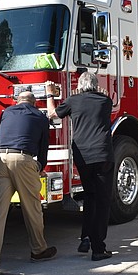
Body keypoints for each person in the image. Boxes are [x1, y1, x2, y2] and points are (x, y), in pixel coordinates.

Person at [0, 90, 56, 275]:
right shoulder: (40, 116)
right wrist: (39, 166)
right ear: (34, 102)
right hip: (22, 159)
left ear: (16, 101)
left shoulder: (6, 113)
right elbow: (43, 148)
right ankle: (38, 250)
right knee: (32, 207)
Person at [46, 72, 114, 261]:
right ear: (95, 85)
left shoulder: (72, 101)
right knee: (102, 201)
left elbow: (53, 115)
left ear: (79, 85)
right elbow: (101, 97)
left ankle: (85, 238)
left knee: (89, 196)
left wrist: (50, 94)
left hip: (82, 155)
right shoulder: (105, 101)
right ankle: (98, 248)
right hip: (102, 154)